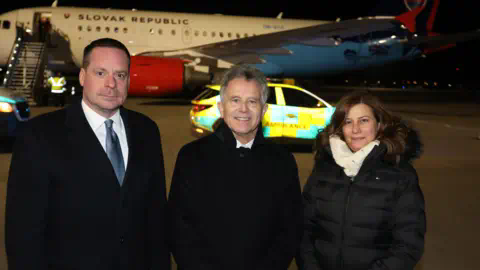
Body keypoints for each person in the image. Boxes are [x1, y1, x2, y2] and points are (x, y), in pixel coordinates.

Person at [5, 38, 170, 270]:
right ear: (83, 77)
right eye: (101, 73)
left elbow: (156, 215)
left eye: (120, 75)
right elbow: (23, 231)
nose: (111, 84)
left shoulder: (147, 130)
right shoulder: (40, 135)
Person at [169, 64, 303, 270]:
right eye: (235, 100)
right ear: (222, 108)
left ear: (264, 109)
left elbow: (289, 230)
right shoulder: (192, 156)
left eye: (252, 101)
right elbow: (179, 227)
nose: (243, 109)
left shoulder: (282, 161)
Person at [297, 91, 426, 270]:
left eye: (364, 120)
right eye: (348, 122)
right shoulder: (324, 170)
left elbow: (408, 244)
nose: (355, 129)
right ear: (340, 127)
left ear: (379, 124)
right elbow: (305, 230)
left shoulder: (400, 175)